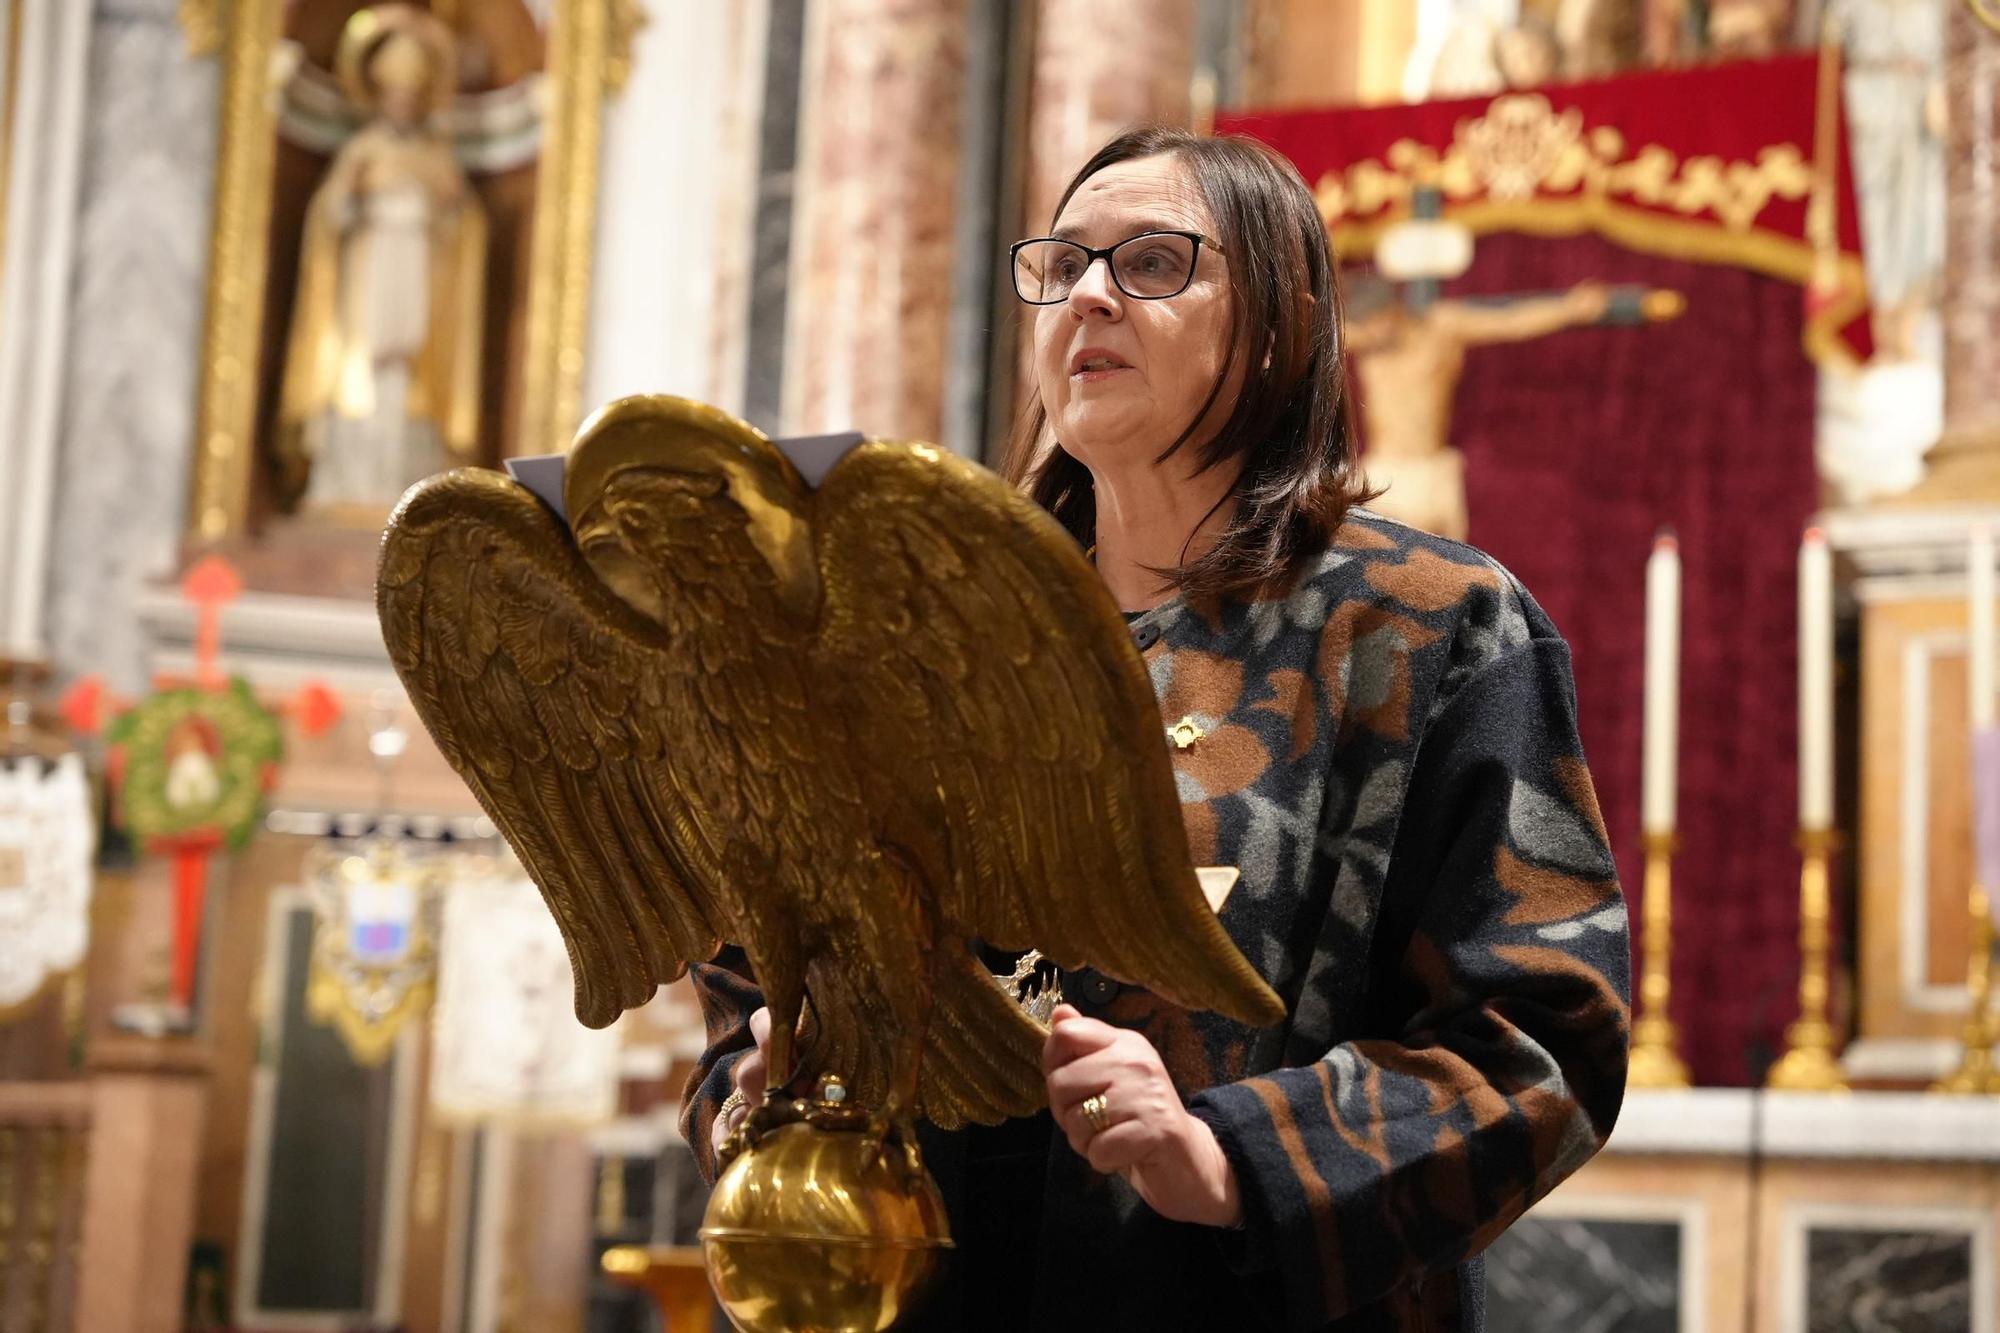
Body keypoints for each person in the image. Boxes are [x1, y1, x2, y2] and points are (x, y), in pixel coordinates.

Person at [682, 127, 1630, 1332]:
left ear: (1281, 324)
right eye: (1061, 263)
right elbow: (747, 955)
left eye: (1148, 261)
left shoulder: (1424, 628)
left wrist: (1234, 1158)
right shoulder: (910, 638)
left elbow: (1538, 1039)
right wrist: (749, 1082)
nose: (1085, 293)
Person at [276, 9, 488, 515]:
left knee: (409, 381)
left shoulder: (439, 159)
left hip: (418, 277)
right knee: (362, 379)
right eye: (395, 95)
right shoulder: (361, 152)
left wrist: (451, 214)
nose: (403, 104)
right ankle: (345, 485)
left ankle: (410, 492)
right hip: (367, 281)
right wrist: (350, 204)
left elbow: (466, 227)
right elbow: (327, 218)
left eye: (412, 96)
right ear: (379, 96)